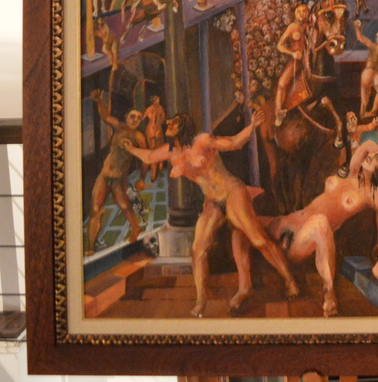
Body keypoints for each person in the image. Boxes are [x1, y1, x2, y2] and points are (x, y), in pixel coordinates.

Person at [128, 112, 301, 316]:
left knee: (258, 240)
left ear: (184, 126)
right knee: (198, 249)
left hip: (232, 192)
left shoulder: (202, 141)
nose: (168, 123)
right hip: (212, 202)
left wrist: (252, 125)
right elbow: (148, 157)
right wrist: (130, 148)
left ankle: (290, 280)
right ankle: (201, 299)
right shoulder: (171, 151)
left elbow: (234, 143)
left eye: (174, 122)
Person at [262, 140, 378, 317]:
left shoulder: (374, 194)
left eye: (377, 159)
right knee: (242, 224)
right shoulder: (352, 173)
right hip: (288, 222)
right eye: (372, 155)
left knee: (320, 222)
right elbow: (368, 143)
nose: (371, 156)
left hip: (304, 238)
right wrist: (377, 151)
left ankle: (329, 292)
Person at [86, 91, 146, 255]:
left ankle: (136, 228)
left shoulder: (139, 136)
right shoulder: (119, 127)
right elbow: (106, 116)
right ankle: (90, 247)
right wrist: (100, 101)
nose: (135, 120)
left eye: (138, 118)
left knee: (124, 205)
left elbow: (145, 159)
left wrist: (142, 178)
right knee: (95, 209)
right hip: (105, 175)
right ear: (126, 117)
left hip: (119, 178)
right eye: (132, 116)